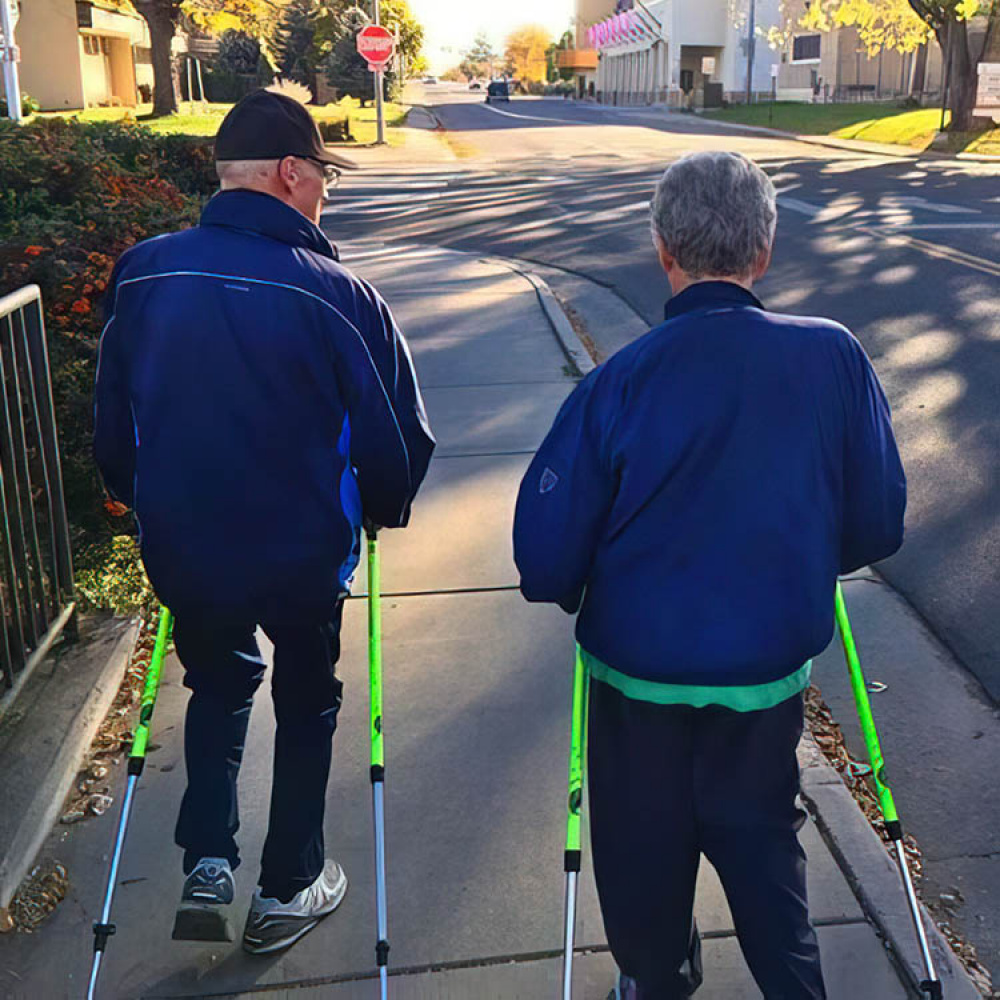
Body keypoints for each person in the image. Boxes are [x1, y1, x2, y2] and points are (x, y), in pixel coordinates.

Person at [513, 151, 905, 1000]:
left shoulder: (619, 382)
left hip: (636, 688)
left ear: (664, 250)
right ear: (763, 253)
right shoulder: (833, 358)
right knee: (765, 847)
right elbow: (875, 525)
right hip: (762, 686)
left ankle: (657, 977)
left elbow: (543, 561)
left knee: (641, 854)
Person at [94, 90, 435, 954]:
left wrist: (142, 502)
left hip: (186, 542)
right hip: (300, 549)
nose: (325, 191)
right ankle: (288, 887)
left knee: (217, 682)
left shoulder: (144, 271)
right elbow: (399, 440)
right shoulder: (339, 295)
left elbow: (111, 422)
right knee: (308, 698)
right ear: (291, 173)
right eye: (322, 173)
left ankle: (209, 859)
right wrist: (383, 512)